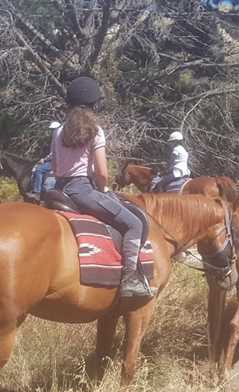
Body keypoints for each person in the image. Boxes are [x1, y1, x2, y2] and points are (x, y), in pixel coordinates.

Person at [52, 76, 152, 298]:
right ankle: (130, 279)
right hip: (82, 190)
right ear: (94, 104)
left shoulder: (58, 131)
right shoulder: (95, 131)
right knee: (134, 223)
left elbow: (55, 166)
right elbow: (102, 173)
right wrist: (103, 189)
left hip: (58, 190)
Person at [30, 121, 61, 196]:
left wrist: (44, 159)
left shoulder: (57, 138)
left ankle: (37, 191)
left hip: (55, 161)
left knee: (39, 169)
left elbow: (53, 153)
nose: (52, 131)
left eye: (53, 129)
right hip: (60, 160)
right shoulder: (60, 137)